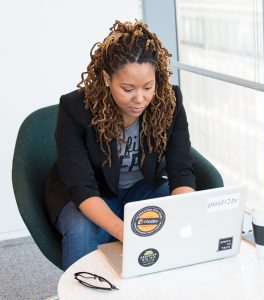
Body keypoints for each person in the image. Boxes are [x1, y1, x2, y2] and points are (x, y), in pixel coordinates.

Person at [45, 20, 196, 270]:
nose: (140, 99)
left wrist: (184, 212)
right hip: (90, 193)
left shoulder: (169, 101)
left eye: (148, 87)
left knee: (179, 216)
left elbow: (181, 169)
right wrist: (126, 231)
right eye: (128, 89)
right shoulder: (75, 109)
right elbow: (82, 187)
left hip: (141, 188)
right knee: (84, 231)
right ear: (107, 78)